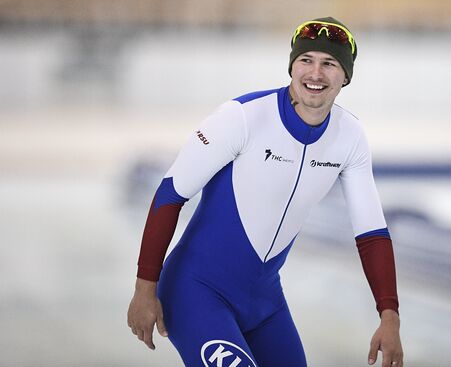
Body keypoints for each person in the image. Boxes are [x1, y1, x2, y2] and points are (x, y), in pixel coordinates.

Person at [127, 16, 403, 367]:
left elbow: (371, 232)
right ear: (292, 66)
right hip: (195, 292)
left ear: (345, 76)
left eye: (329, 64)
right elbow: (170, 195)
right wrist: (144, 289)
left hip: (264, 304)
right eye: (306, 60)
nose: (315, 73)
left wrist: (389, 316)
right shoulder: (243, 117)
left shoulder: (350, 138)